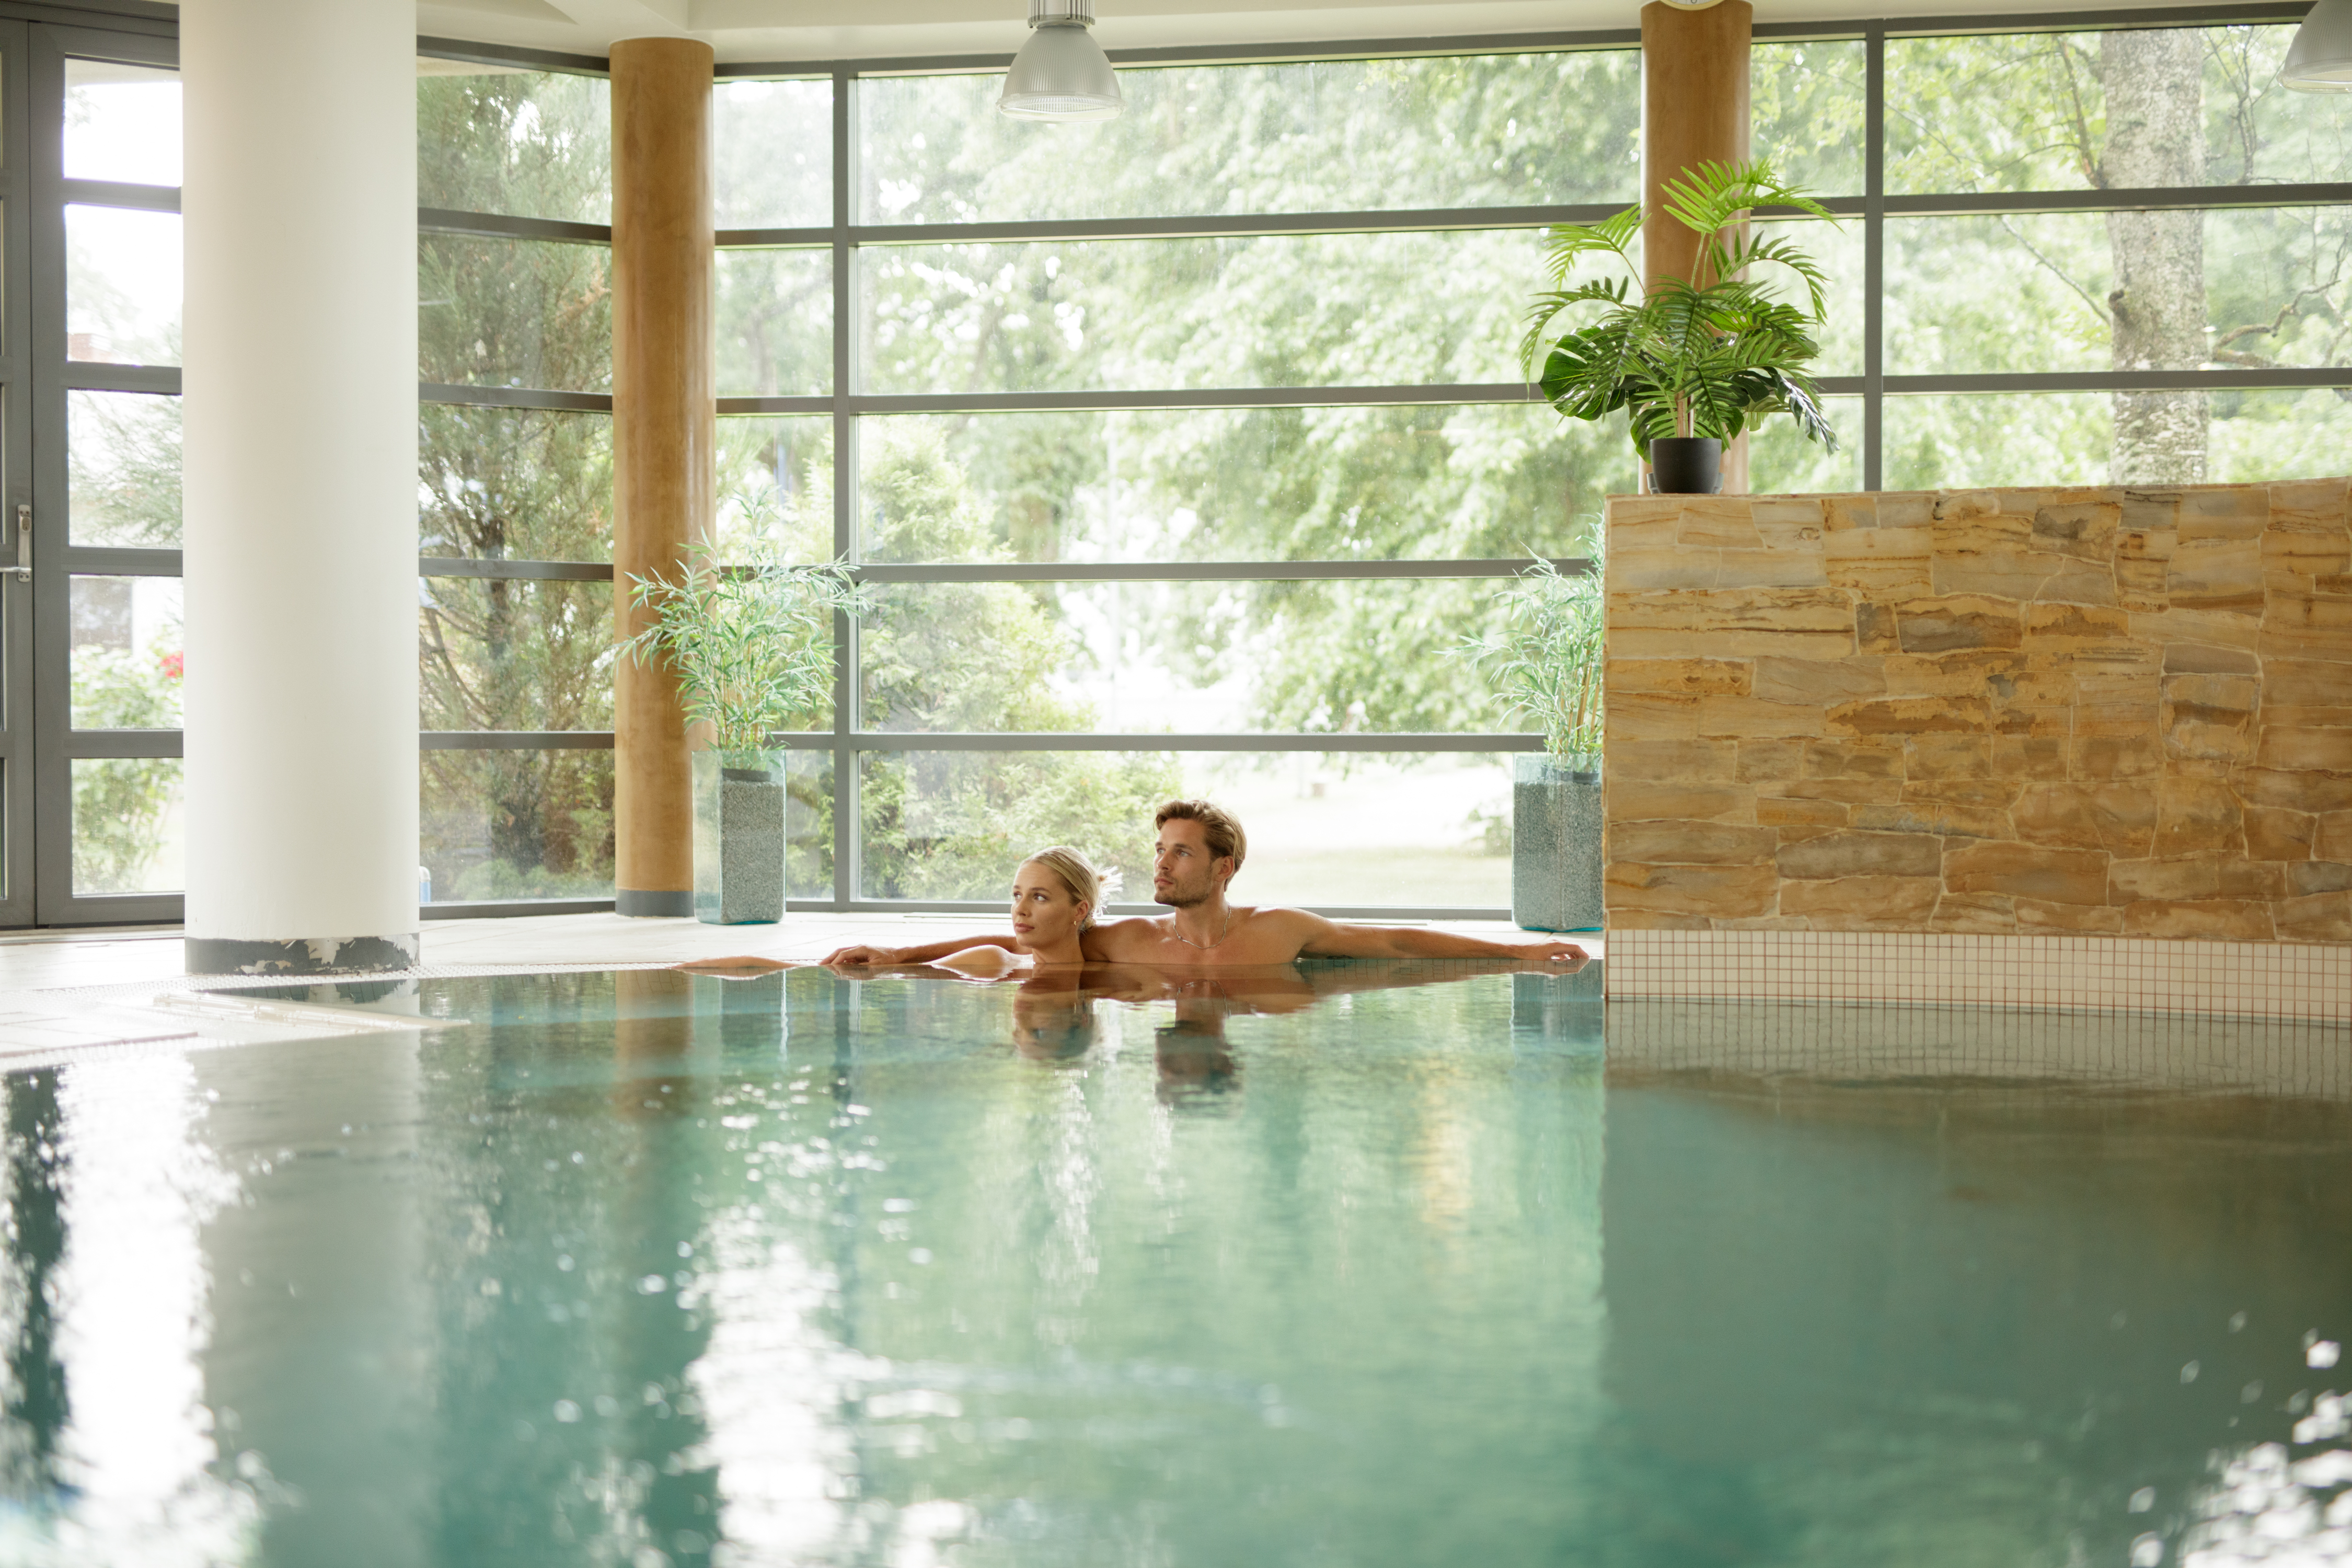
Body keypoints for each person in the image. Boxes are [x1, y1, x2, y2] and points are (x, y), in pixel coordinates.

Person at [821, 799, 1588, 971]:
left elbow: (1390, 941)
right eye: (1160, 851)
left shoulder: (1279, 929)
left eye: (1182, 854)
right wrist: (894, 957)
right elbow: (1013, 941)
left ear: (1224, 869)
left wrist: (1516, 956)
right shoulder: (1127, 942)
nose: (1162, 864)